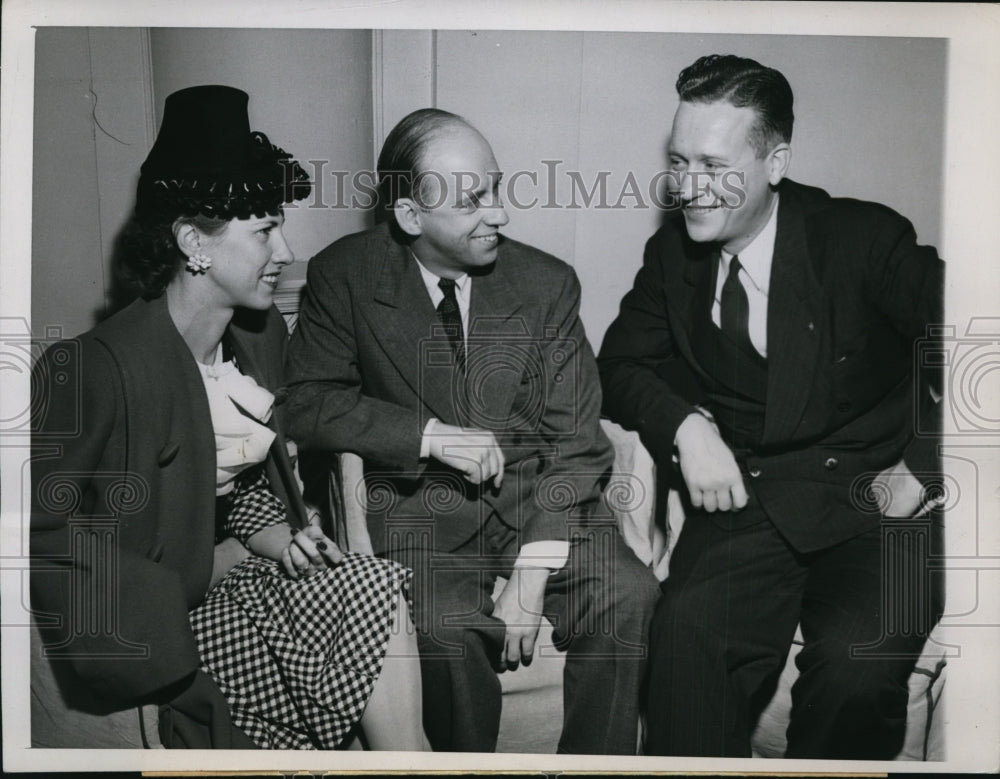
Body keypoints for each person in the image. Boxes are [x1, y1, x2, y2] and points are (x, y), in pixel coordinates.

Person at [30, 85, 426, 751]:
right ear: (194, 243)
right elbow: (40, 529)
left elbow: (239, 490)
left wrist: (282, 539)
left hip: (238, 589)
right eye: (264, 229)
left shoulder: (260, 336)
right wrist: (191, 574)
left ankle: (413, 762)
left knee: (367, 581)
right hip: (162, 631)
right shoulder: (93, 367)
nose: (285, 252)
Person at [598, 54, 944, 759]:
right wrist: (685, 427)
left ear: (776, 161)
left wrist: (926, 461)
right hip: (747, 502)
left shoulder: (863, 240)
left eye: (714, 165)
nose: (689, 187)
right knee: (683, 639)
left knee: (857, 665)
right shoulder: (672, 256)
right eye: (678, 160)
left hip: (877, 505)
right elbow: (619, 365)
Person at [284, 108, 660, 754]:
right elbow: (305, 404)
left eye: (496, 188)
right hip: (421, 515)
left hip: (541, 502)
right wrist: (427, 433)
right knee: (440, 632)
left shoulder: (546, 284)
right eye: (473, 200)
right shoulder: (342, 276)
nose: (500, 214)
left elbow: (577, 441)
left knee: (631, 593)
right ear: (409, 217)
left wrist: (534, 572)